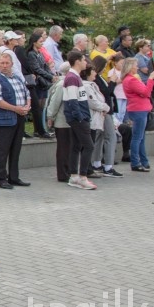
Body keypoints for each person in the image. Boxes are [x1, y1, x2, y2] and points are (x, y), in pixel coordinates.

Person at [0, 52, 30, 189]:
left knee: (16, 149)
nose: (5, 66)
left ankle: (14, 177)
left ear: (12, 64)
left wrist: (27, 106)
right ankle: (0, 178)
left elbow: (27, 94)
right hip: (5, 119)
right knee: (3, 150)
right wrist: (15, 108)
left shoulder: (18, 78)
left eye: (7, 63)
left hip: (20, 117)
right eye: (2, 63)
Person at [62, 51, 96, 190]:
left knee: (76, 146)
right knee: (89, 146)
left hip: (78, 116)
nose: (86, 63)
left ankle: (73, 176)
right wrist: (80, 117)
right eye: (83, 60)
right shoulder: (72, 78)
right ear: (77, 61)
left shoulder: (75, 77)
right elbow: (72, 100)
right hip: (78, 118)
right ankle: (83, 177)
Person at [122, 57, 154, 172]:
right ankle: (135, 162)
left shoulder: (131, 79)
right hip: (138, 109)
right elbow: (146, 92)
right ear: (130, 67)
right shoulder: (131, 80)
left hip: (139, 109)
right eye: (135, 65)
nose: (137, 67)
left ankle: (144, 161)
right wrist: (151, 79)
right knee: (137, 137)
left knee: (140, 137)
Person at [23, 30, 55, 139]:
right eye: (40, 41)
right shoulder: (31, 54)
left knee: (42, 106)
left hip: (43, 83)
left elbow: (44, 66)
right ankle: (39, 129)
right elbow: (36, 68)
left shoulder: (39, 53)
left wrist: (51, 75)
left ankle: (40, 128)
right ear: (34, 42)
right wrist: (50, 76)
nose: (42, 43)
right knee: (38, 107)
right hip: (37, 83)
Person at [45, 63, 73, 182]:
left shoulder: (67, 83)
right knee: (63, 148)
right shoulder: (62, 85)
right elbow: (54, 103)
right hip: (62, 122)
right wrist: (50, 117)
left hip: (68, 121)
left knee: (68, 148)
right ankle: (63, 173)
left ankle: (68, 171)